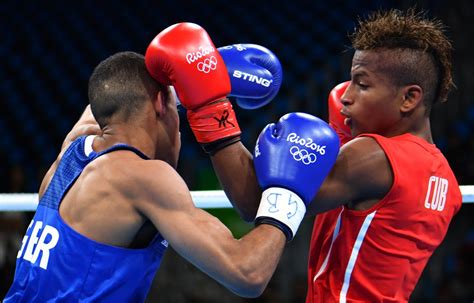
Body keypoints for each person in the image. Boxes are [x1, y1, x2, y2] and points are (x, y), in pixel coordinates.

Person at [4, 23, 340, 302]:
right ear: (163, 105)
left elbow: (111, 96)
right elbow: (247, 273)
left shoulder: (74, 148)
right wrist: (287, 197)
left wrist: (200, 76)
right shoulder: (141, 177)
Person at [195, 8, 463, 302]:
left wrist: (209, 106)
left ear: (409, 98)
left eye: (362, 84)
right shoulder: (445, 180)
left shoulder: (374, 157)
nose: (346, 95)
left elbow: (255, 204)